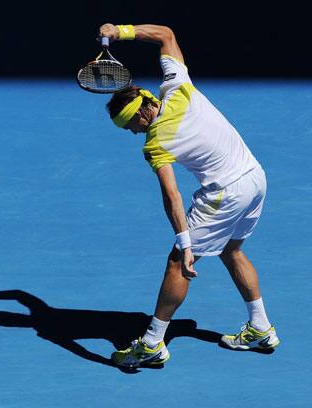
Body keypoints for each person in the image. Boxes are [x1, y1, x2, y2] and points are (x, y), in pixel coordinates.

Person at [98, 23, 280, 368]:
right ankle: (260, 328)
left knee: (177, 262)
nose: (133, 133)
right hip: (255, 177)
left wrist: (184, 243)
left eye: (129, 126)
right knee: (232, 249)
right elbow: (166, 34)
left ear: (140, 113)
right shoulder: (178, 87)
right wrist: (120, 32)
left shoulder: (155, 143)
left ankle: (152, 343)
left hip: (225, 192)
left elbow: (172, 195)